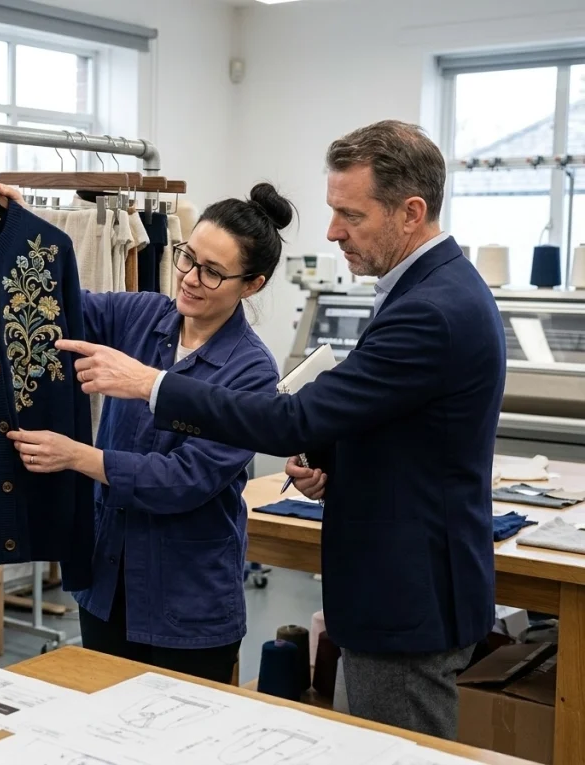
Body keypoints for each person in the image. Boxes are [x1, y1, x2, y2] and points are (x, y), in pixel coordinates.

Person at [57, 120, 505, 739]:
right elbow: (395, 426)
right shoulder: (421, 292)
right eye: (189, 260)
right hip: (391, 588)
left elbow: (290, 418)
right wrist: (334, 461)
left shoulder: (430, 309)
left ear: (411, 212)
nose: (332, 231)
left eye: (350, 214)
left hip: (406, 597)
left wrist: (147, 385)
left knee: (391, 754)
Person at [0, 181, 294, 684]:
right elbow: (59, 304)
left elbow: (183, 480)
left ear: (253, 284)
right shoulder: (144, 316)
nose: (191, 279)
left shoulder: (250, 371)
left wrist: (77, 456)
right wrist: (23, 230)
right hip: (108, 583)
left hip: (188, 603)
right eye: (187, 257)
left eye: (213, 272)